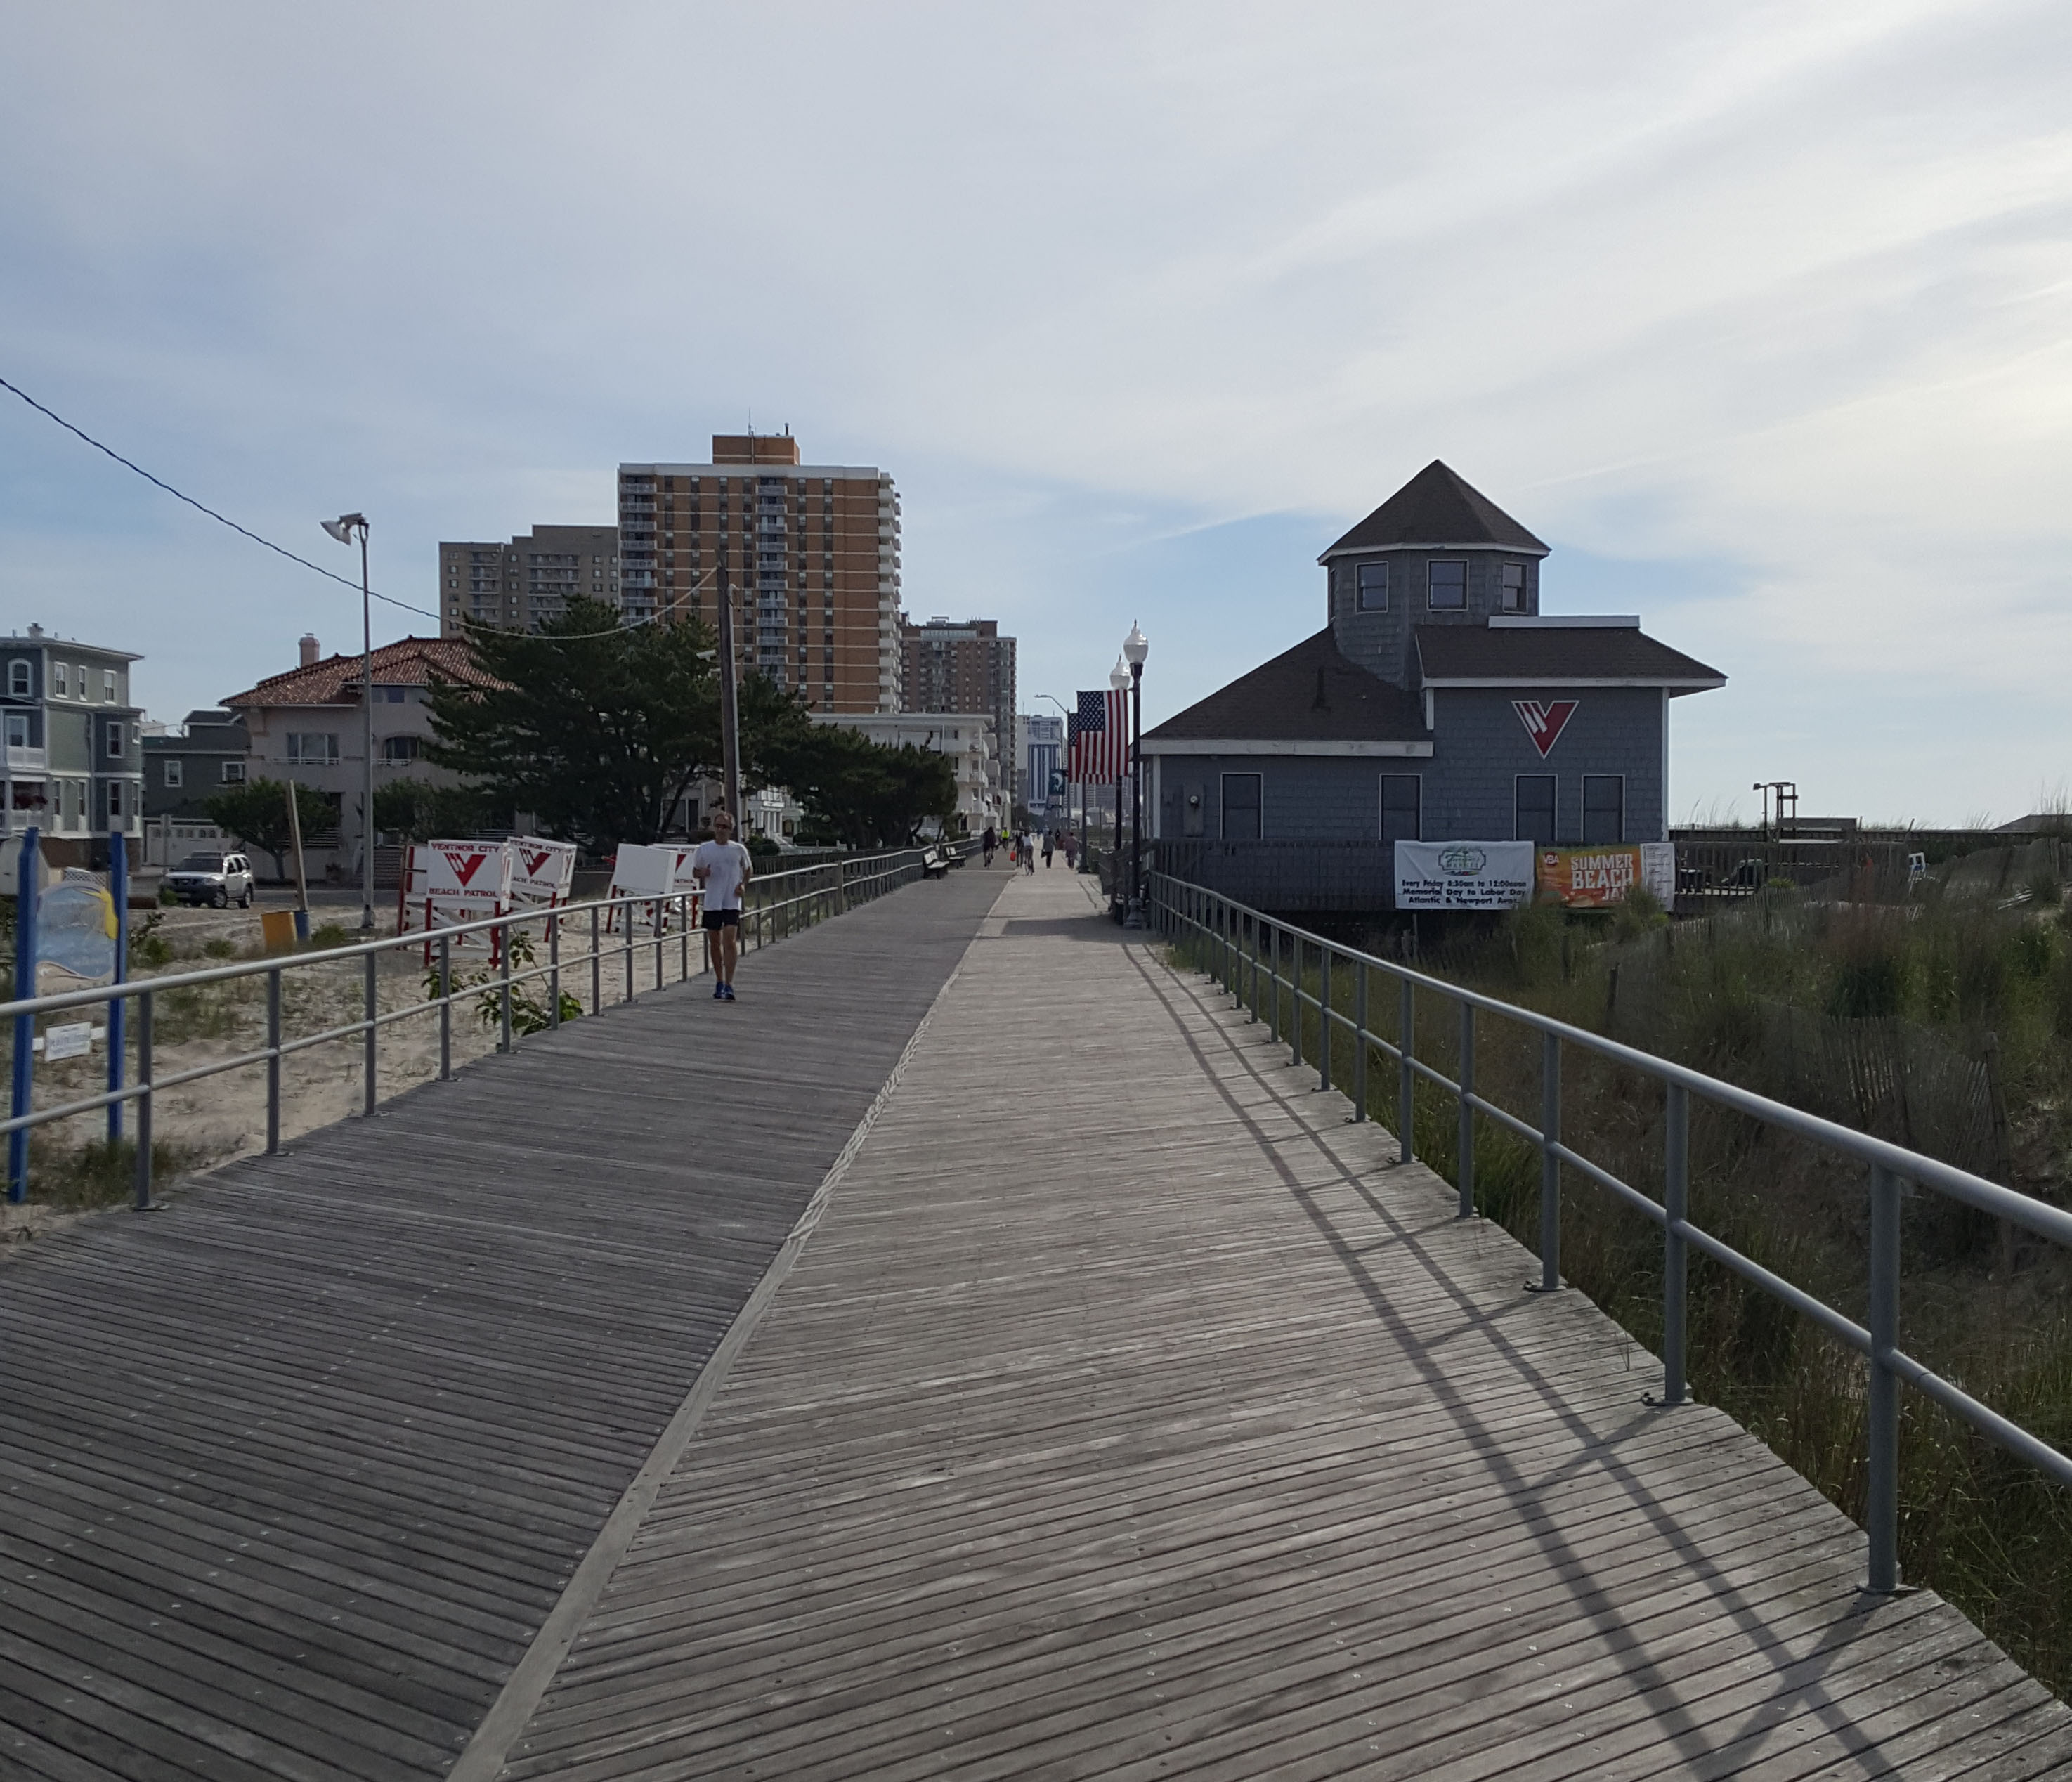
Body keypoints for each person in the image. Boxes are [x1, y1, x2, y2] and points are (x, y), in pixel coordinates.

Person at [691, 809, 752, 1001]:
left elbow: (748, 868)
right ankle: (719, 980)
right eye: (718, 826)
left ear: (731, 830)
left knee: (730, 940)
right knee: (715, 942)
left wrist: (743, 884)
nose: (721, 830)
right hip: (712, 901)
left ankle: (729, 984)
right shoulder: (704, 849)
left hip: (731, 900)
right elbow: (695, 872)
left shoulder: (738, 849)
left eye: (725, 827)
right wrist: (703, 873)